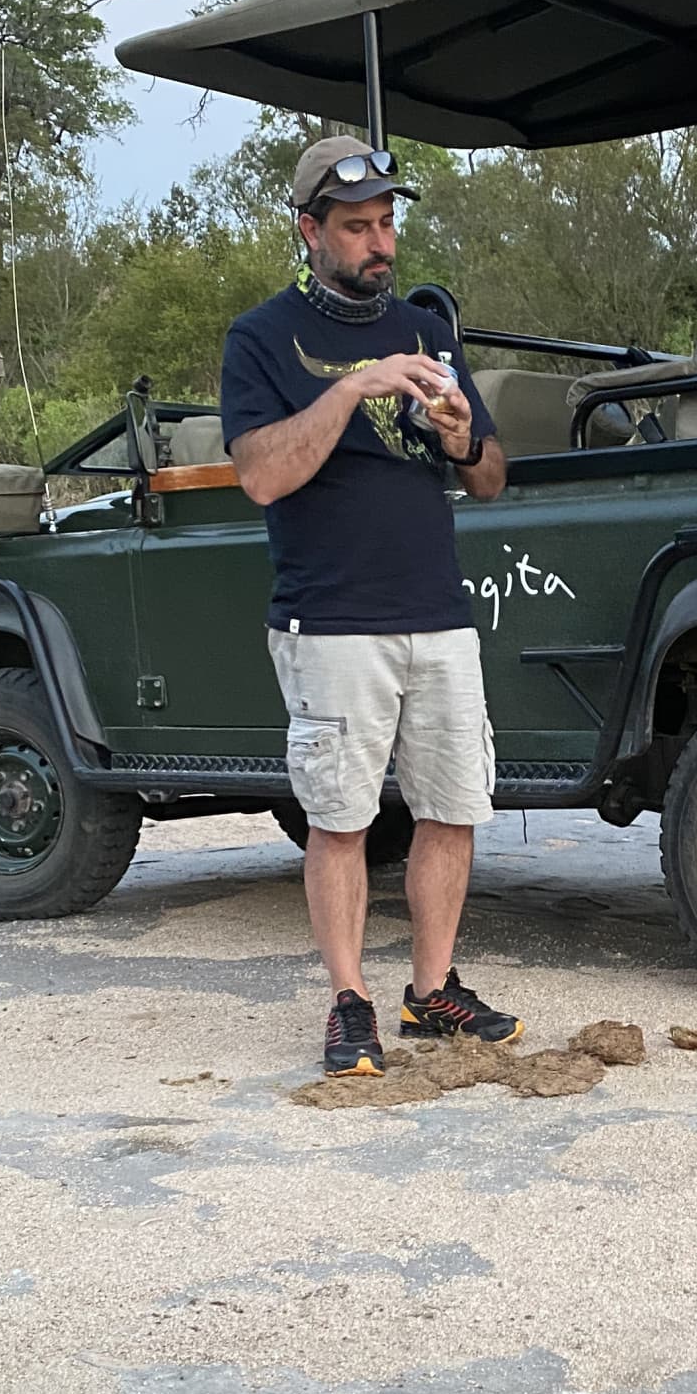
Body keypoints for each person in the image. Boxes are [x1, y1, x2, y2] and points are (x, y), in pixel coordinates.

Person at [221, 133, 518, 1079]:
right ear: (310, 231)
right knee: (342, 818)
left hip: (438, 613)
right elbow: (263, 476)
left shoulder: (433, 335)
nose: (379, 243)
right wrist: (353, 387)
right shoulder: (260, 338)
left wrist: (467, 437)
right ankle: (349, 1001)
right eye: (357, 227)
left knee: (453, 805)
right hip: (332, 620)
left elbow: (493, 482)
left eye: (387, 224)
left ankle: (433, 989)